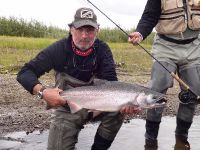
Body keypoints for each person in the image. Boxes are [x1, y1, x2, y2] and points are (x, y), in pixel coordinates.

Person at [17, 7, 140, 150]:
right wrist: (42, 92)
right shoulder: (58, 49)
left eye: (89, 30)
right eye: (80, 29)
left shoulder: (102, 49)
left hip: (99, 106)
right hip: (67, 108)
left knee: (118, 110)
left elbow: (111, 83)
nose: (84, 36)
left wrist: (126, 103)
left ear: (97, 30)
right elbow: (25, 73)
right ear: (71, 29)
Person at [128, 0, 200, 149]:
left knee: (193, 93)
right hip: (165, 47)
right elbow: (149, 16)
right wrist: (140, 33)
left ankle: (182, 139)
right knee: (156, 91)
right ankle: (150, 139)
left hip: (194, 46)